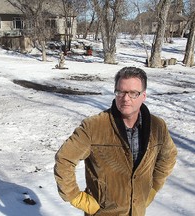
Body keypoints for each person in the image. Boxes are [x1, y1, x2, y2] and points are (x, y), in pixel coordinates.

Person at [54, 67, 177, 216]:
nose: (125, 99)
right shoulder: (93, 126)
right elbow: (64, 159)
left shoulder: (157, 126)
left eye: (133, 93)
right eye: (121, 92)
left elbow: (168, 156)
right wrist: (76, 197)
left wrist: (153, 187)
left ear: (143, 95)